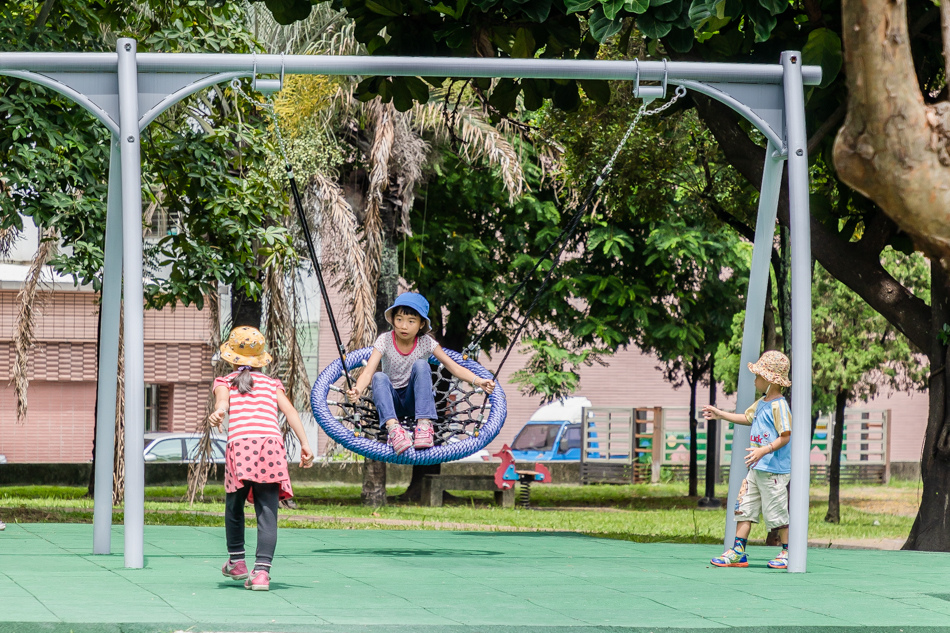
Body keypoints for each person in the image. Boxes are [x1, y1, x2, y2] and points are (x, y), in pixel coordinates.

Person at [208, 326, 314, 591]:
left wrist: (220, 412)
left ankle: (237, 561)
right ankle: (262, 573)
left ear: (230, 358)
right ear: (261, 358)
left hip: (241, 446)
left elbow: (222, 402)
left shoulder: (225, 382)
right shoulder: (271, 383)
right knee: (268, 511)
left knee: (234, 506)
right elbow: (290, 412)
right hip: (271, 446)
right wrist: (304, 443)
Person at [345, 292, 495, 454]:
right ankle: (394, 429)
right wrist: (357, 390)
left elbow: (453, 366)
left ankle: (424, 425)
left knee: (422, 365)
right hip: (391, 402)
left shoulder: (426, 343)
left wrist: (478, 381)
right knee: (379, 376)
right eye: (399, 319)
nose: (404, 326)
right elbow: (368, 372)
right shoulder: (385, 340)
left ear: (421, 324)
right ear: (393, 319)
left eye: (411, 321)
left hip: (415, 401)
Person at [702, 350, 792, 570]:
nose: (755, 380)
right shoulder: (761, 403)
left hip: (774, 472)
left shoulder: (779, 406)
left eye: (759, 376)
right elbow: (746, 417)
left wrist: (764, 450)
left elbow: (786, 436)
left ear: (770, 380)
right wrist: (721, 414)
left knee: (777, 512)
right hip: (756, 469)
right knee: (745, 507)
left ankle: (788, 552)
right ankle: (738, 552)